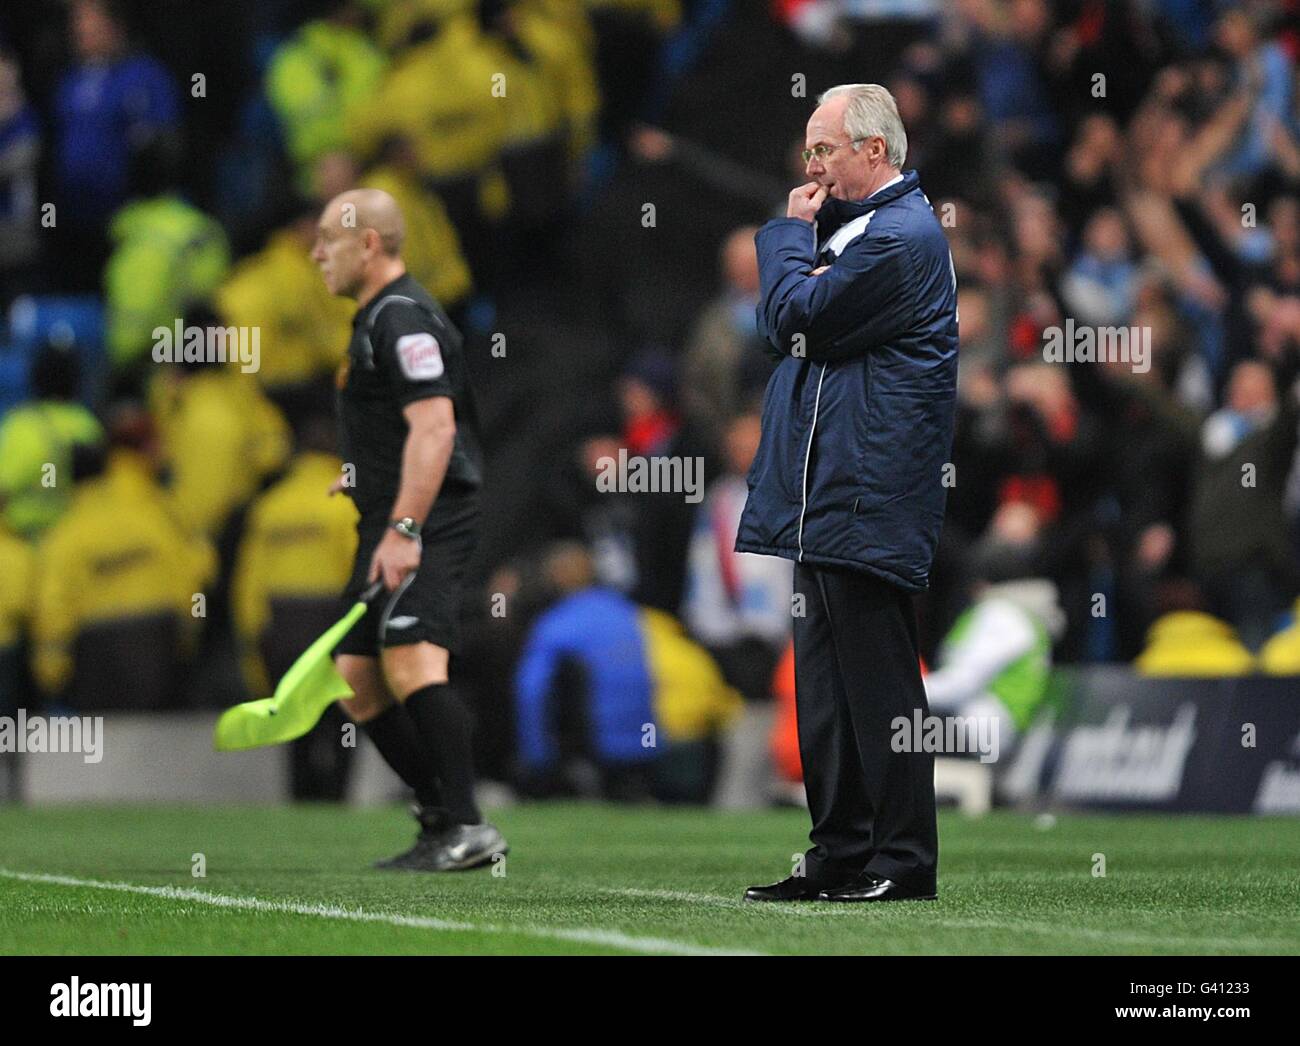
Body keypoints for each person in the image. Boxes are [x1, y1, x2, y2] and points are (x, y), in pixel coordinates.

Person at [737, 84, 957, 903]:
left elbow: (791, 319)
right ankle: (839, 852)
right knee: (828, 693)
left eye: (823, 148)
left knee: (879, 687)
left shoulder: (900, 237)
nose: (811, 165)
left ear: (874, 149)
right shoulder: (863, 228)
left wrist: (790, 234)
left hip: (869, 490)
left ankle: (903, 861)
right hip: (827, 493)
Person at [313, 187, 506, 870]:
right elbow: (403, 426)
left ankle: (469, 827)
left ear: (368, 244)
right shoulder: (377, 319)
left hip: (426, 518)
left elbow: (435, 425)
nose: (315, 255)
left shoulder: (402, 319)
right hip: (395, 511)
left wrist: (403, 526)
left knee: (412, 660)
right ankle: (439, 816)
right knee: (355, 676)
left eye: (326, 241)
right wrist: (365, 471)